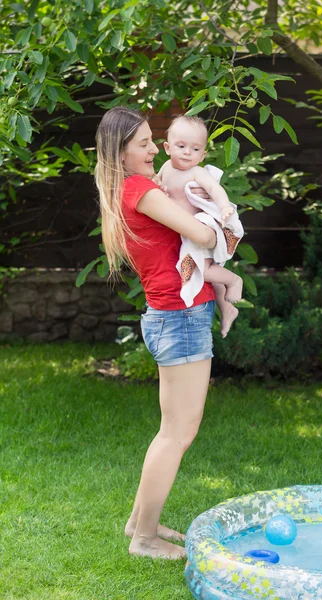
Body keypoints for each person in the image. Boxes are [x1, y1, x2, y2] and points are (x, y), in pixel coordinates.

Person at [95, 106, 219, 560]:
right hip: (180, 317)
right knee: (177, 433)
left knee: (172, 429)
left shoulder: (129, 188)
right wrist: (219, 217)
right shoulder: (141, 190)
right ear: (121, 151)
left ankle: (139, 521)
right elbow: (201, 237)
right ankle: (143, 539)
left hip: (175, 314)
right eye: (144, 143)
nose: (153, 149)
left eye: (152, 140)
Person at [159, 115, 243, 338]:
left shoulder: (197, 173)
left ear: (203, 154)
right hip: (183, 235)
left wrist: (224, 206)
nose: (187, 152)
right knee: (205, 276)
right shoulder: (166, 168)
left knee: (205, 271)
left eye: (195, 149)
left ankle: (234, 280)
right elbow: (155, 185)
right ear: (167, 148)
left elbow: (215, 190)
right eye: (181, 146)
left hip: (198, 232)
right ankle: (227, 309)